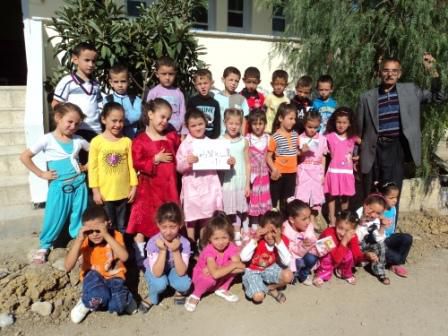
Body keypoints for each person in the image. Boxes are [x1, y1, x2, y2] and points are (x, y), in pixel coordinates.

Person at [357, 54, 444, 201]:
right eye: (386, 70)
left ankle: (390, 224)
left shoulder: (411, 91)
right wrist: (355, 154)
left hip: (396, 148)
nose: (390, 74)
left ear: (399, 73)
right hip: (373, 148)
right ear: (380, 72)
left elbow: (439, 96)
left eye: (394, 71)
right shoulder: (366, 97)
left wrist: (433, 71)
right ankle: (371, 224)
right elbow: (359, 129)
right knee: (371, 194)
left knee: (391, 193)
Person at [20, 103, 89, 264]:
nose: (73, 126)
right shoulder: (47, 139)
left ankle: (79, 246)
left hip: (79, 185)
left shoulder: (79, 140)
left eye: (77, 123)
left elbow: (96, 150)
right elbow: (25, 156)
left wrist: (86, 166)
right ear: (58, 118)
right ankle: (44, 246)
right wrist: (41, 174)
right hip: (59, 187)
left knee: (79, 217)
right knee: (53, 216)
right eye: (69, 122)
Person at [126, 99, 180, 266]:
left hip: (168, 188)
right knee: (142, 222)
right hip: (148, 190)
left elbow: (182, 154)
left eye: (168, 119)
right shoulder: (140, 140)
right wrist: (154, 159)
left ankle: (168, 254)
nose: (165, 121)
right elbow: (136, 162)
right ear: (150, 114)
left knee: (168, 220)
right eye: (162, 117)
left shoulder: (171, 138)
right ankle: (140, 254)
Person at [65, 206, 137, 324]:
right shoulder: (84, 240)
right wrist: (78, 240)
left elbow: (124, 257)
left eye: (98, 230)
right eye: (90, 231)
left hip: (114, 276)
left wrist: (106, 235)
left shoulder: (115, 235)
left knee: (117, 306)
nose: (94, 234)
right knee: (99, 295)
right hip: (93, 277)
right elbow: (68, 266)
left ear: (108, 224)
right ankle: (85, 301)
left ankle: (126, 298)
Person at [88, 102, 138, 233]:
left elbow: (132, 166)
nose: (118, 125)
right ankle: (110, 251)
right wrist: (95, 191)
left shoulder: (127, 141)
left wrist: (134, 187)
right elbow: (93, 169)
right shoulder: (96, 142)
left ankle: (123, 251)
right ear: (103, 119)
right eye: (114, 121)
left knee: (122, 226)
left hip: (124, 193)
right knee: (108, 225)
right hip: (105, 194)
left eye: (121, 121)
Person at [176, 108, 223, 247]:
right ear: (187, 127)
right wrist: (187, 162)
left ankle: (203, 246)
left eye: (200, 124)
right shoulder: (185, 145)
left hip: (209, 184)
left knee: (206, 217)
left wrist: (228, 162)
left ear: (205, 123)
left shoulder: (212, 143)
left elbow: (220, 162)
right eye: (193, 125)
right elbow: (178, 167)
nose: (197, 128)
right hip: (192, 186)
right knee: (191, 218)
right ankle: (189, 247)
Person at [185, 212, 244, 312]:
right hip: (202, 278)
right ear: (209, 238)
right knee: (211, 278)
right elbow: (216, 274)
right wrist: (232, 265)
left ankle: (222, 288)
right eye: (216, 238)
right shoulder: (209, 251)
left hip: (217, 275)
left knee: (230, 268)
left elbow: (241, 268)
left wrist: (227, 267)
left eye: (224, 238)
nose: (221, 242)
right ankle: (196, 294)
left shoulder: (230, 246)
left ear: (229, 237)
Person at [141, 203, 191, 310]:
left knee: (185, 284)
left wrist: (176, 250)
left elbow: (181, 272)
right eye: (164, 227)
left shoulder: (184, 243)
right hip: (155, 269)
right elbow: (157, 273)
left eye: (173, 227)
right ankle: (152, 296)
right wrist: (163, 250)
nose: (168, 232)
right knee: (160, 284)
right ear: (158, 225)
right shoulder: (153, 242)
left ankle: (178, 290)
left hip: (173, 268)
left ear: (180, 224)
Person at [51, 43, 102, 143]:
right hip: (74, 130)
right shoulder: (67, 81)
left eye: (93, 61)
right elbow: (55, 103)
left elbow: (99, 103)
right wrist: (65, 120)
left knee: (94, 158)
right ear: (75, 59)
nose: (91, 64)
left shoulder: (96, 84)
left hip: (95, 130)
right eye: (87, 60)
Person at [240, 211, 293, 304]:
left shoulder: (282, 240)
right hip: (252, 271)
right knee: (258, 297)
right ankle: (256, 286)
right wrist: (255, 240)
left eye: (273, 232)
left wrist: (278, 241)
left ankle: (270, 288)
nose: (269, 236)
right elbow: (243, 258)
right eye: (266, 232)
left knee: (288, 276)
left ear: (281, 230)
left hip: (269, 268)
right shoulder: (257, 238)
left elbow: (287, 262)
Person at [313, 210, 373, 287]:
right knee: (327, 255)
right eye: (340, 228)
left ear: (353, 230)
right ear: (336, 223)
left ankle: (343, 271)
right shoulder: (328, 233)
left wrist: (366, 256)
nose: (342, 233)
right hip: (323, 257)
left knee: (349, 254)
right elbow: (335, 259)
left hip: (338, 255)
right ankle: (321, 274)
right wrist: (344, 241)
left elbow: (357, 254)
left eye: (347, 230)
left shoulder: (352, 236)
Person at [324, 107, 360, 226]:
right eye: (338, 122)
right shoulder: (330, 136)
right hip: (333, 171)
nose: (341, 125)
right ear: (334, 122)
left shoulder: (352, 137)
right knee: (332, 195)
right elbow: (321, 146)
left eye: (344, 122)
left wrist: (358, 157)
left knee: (345, 196)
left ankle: (344, 216)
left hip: (347, 172)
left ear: (350, 123)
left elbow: (365, 145)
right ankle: (332, 218)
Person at [220, 108, 251, 245]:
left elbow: (247, 163)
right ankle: (227, 232)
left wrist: (247, 183)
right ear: (225, 123)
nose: (233, 126)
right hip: (226, 180)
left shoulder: (244, 141)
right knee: (227, 207)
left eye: (237, 124)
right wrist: (225, 162)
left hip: (240, 179)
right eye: (230, 123)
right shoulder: (219, 141)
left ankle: (237, 232)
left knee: (238, 207)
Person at [295, 110, 328, 219]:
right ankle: (303, 219)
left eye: (315, 127)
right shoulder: (300, 138)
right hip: (304, 170)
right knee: (302, 196)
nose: (312, 130)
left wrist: (322, 173)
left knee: (315, 197)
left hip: (317, 171)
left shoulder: (322, 139)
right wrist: (302, 152)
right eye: (310, 127)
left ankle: (312, 221)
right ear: (304, 124)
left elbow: (323, 156)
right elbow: (296, 155)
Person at [266, 103, 299, 214]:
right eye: (290, 118)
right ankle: (274, 221)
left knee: (288, 199)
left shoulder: (295, 135)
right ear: (280, 118)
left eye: (295, 119)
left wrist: (302, 151)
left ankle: (286, 221)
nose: (294, 121)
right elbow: (268, 157)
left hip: (292, 172)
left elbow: (295, 151)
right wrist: (274, 169)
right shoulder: (275, 137)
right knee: (275, 200)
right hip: (279, 173)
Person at [245, 109, 272, 233]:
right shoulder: (248, 139)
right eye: (255, 124)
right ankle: (254, 222)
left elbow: (271, 156)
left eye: (260, 123)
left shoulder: (268, 138)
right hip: (253, 174)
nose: (257, 126)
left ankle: (262, 221)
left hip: (265, 173)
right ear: (250, 125)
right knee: (254, 198)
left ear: (265, 124)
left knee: (264, 197)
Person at [379, 182, 413, 277]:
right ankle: (393, 262)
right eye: (391, 198)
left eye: (396, 197)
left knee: (408, 238)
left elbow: (393, 227)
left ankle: (395, 263)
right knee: (397, 257)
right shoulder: (379, 210)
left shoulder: (393, 209)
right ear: (382, 197)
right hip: (380, 242)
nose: (394, 200)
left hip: (390, 238)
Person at [356, 194, 391, 285]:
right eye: (372, 210)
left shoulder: (375, 220)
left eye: (378, 213)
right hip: (354, 245)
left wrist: (382, 227)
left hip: (365, 244)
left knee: (381, 246)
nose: (374, 215)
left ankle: (379, 271)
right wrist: (361, 221)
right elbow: (355, 237)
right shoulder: (356, 215)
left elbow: (378, 239)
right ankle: (363, 259)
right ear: (365, 205)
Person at [146, 56, 186, 135]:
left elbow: (183, 114)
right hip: (158, 134)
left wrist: (183, 133)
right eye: (164, 74)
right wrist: (148, 132)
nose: (167, 77)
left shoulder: (179, 94)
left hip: (175, 134)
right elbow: (148, 114)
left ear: (175, 74)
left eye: (171, 74)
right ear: (157, 74)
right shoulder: (153, 93)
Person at [282, 199, 318, 285]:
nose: (308, 221)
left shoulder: (308, 226)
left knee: (312, 258)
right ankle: (295, 273)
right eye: (304, 219)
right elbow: (289, 250)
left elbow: (312, 239)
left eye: (309, 217)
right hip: (291, 257)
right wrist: (302, 246)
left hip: (303, 253)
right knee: (297, 264)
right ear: (292, 220)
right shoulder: (285, 231)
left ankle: (303, 274)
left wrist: (318, 245)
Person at [103, 64, 142, 139]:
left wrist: (118, 120)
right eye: (116, 82)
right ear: (111, 82)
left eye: (123, 81)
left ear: (129, 81)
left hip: (132, 138)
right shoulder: (108, 100)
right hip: (114, 138)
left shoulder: (135, 99)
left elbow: (137, 116)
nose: (120, 85)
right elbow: (108, 118)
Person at [214, 66, 250, 135]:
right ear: (223, 79)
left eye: (236, 81)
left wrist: (242, 137)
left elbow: (244, 120)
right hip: (220, 137)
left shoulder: (241, 99)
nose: (233, 83)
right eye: (231, 80)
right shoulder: (216, 98)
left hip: (236, 138)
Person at [187, 69, 221, 139]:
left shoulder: (215, 103)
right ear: (195, 86)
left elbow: (217, 123)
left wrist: (214, 137)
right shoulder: (192, 101)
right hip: (195, 137)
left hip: (210, 138)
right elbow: (188, 121)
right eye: (199, 84)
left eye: (205, 83)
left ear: (211, 84)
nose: (203, 86)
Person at [264, 69, 290, 134]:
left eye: (282, 84)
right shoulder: (269, 97)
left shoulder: (287, 101)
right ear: (272, 84)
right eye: (276, 84)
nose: (279, 87)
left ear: (286, 85)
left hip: (280, 131)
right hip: (268, 130)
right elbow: (263, 112)